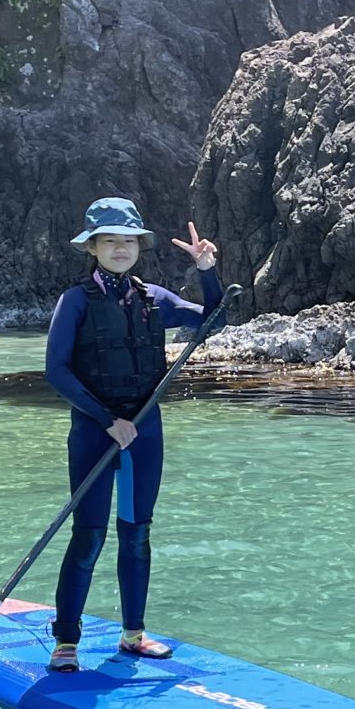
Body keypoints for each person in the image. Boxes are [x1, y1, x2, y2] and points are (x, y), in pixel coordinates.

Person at [41, 198, 225, 671]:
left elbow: (214, 317)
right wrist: (107, 420)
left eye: (128, 241)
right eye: (110, 241)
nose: (121, 248)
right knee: (89, 536)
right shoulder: (76, 301)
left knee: (137, 534)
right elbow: (57, 371)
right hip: (95, 431)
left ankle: (133, 635)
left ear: (138, 246)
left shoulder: (155, 299)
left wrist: (206, 270)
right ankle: (66, 641)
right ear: (94, 247)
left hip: (144, 431)